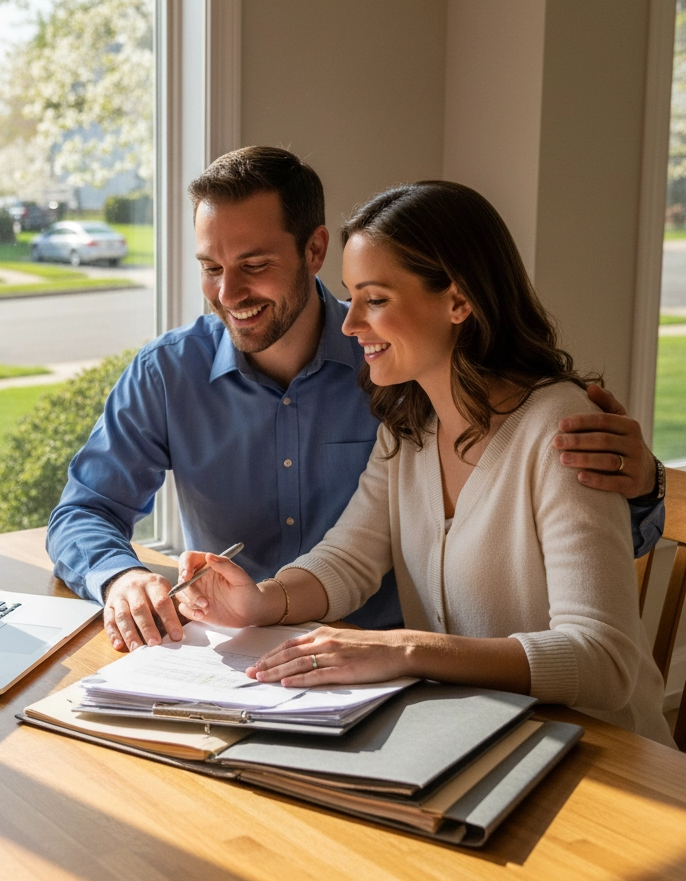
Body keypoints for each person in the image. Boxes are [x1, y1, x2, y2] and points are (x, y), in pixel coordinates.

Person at [46, 147, 666, 654]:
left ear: (314, 251)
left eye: (254, 264)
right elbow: (349, 556)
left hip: (405, 672)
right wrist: (134, 579)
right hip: (278, 663)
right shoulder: (404, 412)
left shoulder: (403, 378)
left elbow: (592, 587)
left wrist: (641, 489)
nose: (227, 293)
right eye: (211, 267)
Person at [176, 180, 673, 746]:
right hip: (482, 738)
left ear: (458, 301)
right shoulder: (408, 426)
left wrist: (405, 649)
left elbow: (604, 662)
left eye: (375, 300)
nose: (349, 324)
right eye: (350, 297)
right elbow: (349, 558)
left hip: (607, 759)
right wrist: (258, 602)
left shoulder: (563, 431)